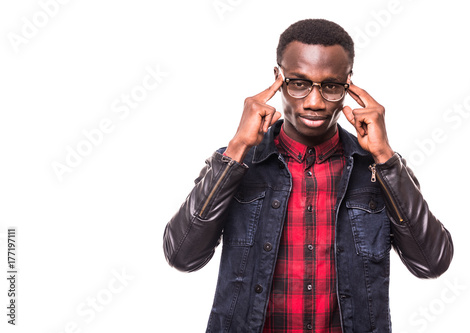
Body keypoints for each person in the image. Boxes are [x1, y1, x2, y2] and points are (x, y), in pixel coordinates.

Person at [163, 18, 453, 333]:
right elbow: (182, 256)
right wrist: (236, 149)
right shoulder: (237, 161)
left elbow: (431, 263)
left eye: (330, 86)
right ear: (278, 79)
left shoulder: (378, 168)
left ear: (348, 84)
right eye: (299, 83)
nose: (314, 103)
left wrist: (385, 157)